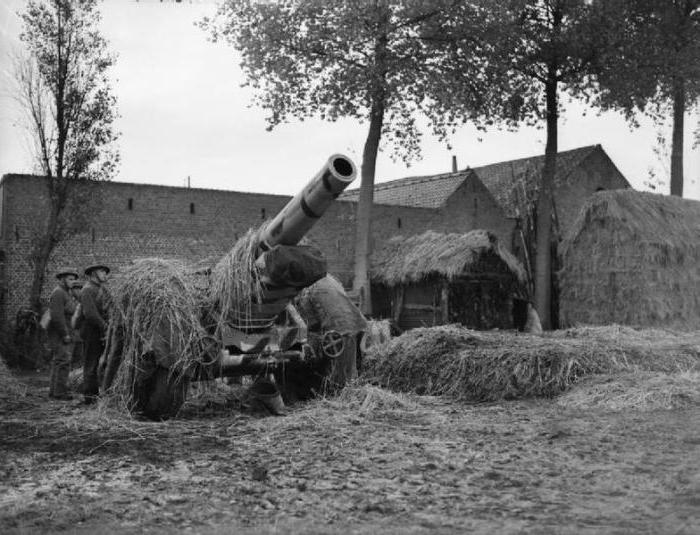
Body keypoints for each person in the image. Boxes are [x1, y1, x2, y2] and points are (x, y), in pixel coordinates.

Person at [80, 263, 111, 404]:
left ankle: (96, 393)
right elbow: (90, 313)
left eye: (105, 272)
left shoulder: (102, 289)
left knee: (101, 362)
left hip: (102, 330)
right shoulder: (87, 290)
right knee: (91, 363)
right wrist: (105, 326)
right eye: (102, 271)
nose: (105, 274)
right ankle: (89, 397)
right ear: (93, 274)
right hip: (91, 331)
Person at [47, 267, 79, 400]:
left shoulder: (66, 292)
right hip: (59, 332)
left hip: (64, 331)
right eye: (70, 279)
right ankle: (59, 393)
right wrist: (64, 334)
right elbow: (57, 316)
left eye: (73, 279)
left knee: (59, 361)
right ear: (62, 279)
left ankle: (54, 392)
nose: (73, 282)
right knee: (63, 361)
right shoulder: (59, 293)